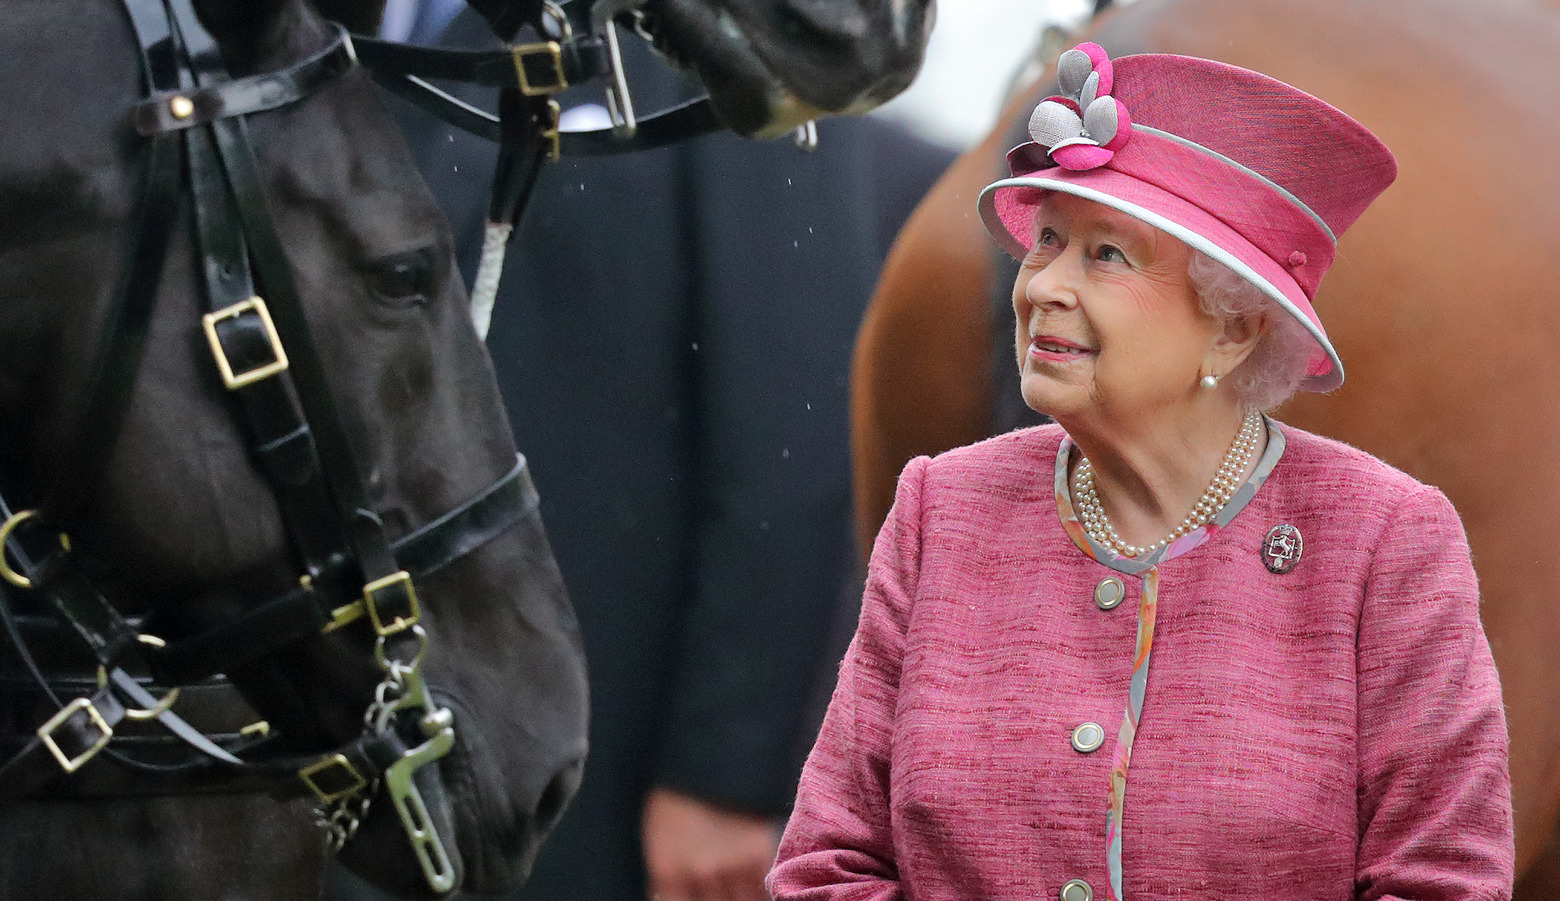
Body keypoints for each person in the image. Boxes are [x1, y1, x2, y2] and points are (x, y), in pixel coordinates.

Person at [768, 43, 1514, 900]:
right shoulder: (943, 507)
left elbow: (1442, 880)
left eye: (1107, 255)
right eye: (1046, 240)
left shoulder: (1384, 540)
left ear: (1231, 328)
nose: (1042, 283)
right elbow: (828, 865)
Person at [327, 7, 955, 901]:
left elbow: (791, 410)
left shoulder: (722, 34)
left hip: (605, 763)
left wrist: (727, 775)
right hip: (344, 744)